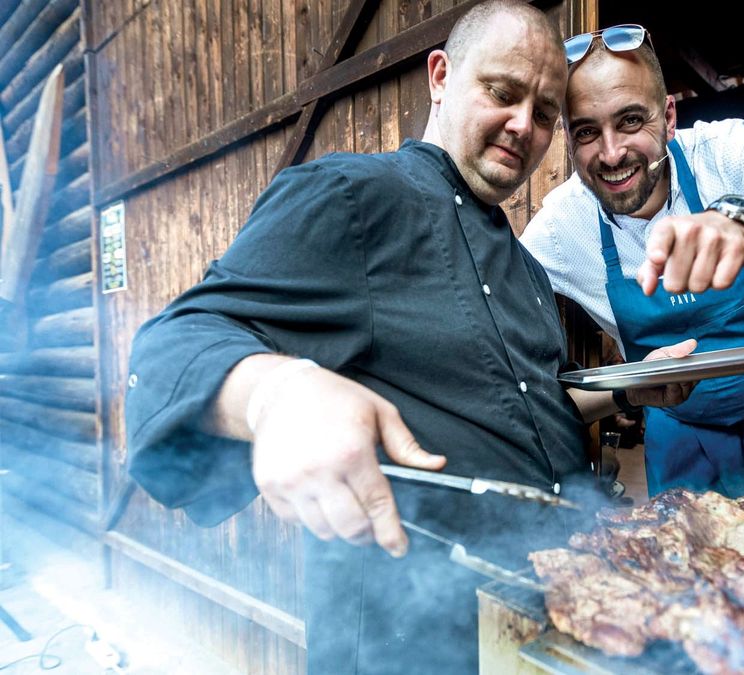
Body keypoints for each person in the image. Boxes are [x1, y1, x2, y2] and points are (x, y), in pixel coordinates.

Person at [122, 4, 692, 672]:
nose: (523, 125)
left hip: (535, 630)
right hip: (408, 642)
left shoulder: (530, 273)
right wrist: (277, 393)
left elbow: (526, 411)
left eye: (544, 113)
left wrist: (627, 391)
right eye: (502, 93)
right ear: (441, 76)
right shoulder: (352, 198)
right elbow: (170, 350)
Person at [519, 25, 744, 501]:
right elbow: (488, 303)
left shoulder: (726, 152)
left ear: (668, 117)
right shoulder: (562, 227)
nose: (611, 153)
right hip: (679, 437)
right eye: (587, 132)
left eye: (630, 121)